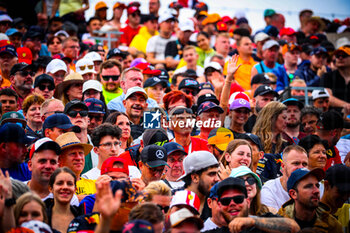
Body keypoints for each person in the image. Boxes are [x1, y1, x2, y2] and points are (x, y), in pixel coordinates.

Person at [202, 177, 300, 233]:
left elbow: (293, 228)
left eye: (238, 199)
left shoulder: (263, 224)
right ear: (220, 206)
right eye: (226, 201)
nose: (232, 203)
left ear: (248, 202)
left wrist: (253, 221)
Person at [278, 168, 343, 232]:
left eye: (317, 186)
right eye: (309, 186)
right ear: (293, 194)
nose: (317, 191)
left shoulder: (332, 226)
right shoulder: (278, 224)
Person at [261, 145, 309, 211]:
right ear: (283, 166)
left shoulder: (317, 186)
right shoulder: (270, 190)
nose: (301, 168)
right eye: (296, 163)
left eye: (304, 164)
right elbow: (271, 220)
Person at [55, 132, 95, 198]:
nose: (79, 158)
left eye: (81, 153)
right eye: (73, 154)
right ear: (59, 159)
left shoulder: (95, 184)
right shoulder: (53, 186)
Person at [45, 167, 84, 233]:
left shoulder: (82, 214)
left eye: (69, 184)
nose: (65, 187)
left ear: (75, 190)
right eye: (60, 183)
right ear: (50, 188)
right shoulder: (41, 215)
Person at [321, 46, 350, 112]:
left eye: (344, 56)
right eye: (337, 56)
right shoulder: (327, 77)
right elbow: (326, 97)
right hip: (333, 115)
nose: (340, 58)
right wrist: (346, 105)